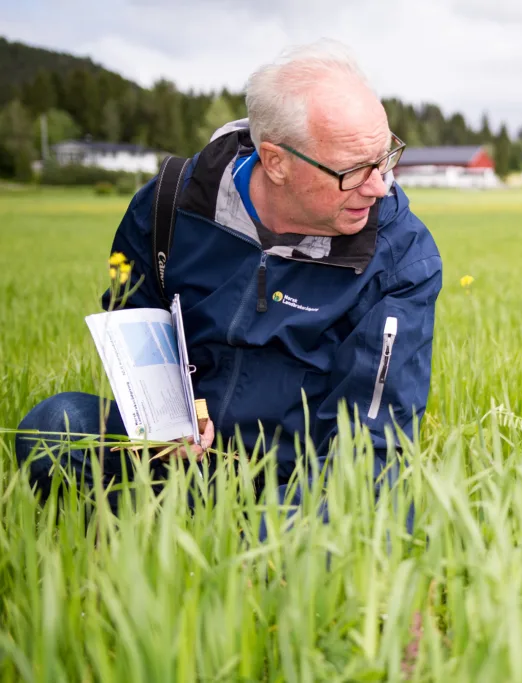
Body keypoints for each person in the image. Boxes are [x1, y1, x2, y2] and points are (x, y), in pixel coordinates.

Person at [15, 39, 443, 533]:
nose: (380, 186)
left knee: (367, 502)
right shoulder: (171, 204)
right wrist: (172, 416)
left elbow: (373, 441)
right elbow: (133, 317)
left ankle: (220, 549)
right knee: (57, 425)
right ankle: (141, 545)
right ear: (276, 161)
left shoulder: (400, 254)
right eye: (354, 171)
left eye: (385, 157)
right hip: (183, 460)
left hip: (302, 477)